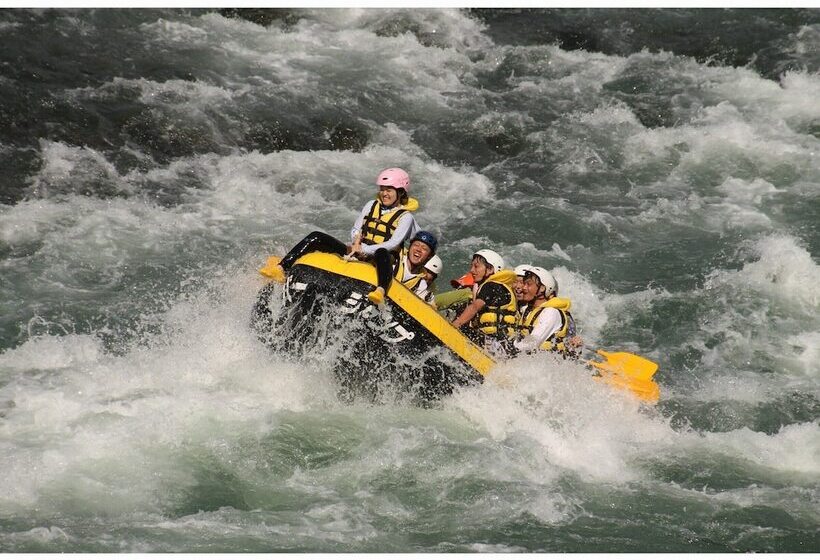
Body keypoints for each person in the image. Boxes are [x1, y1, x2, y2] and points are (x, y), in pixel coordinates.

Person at [263, 167, 419, 305]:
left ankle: (381, 290)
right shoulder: (371, 205)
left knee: (382, 252)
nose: (384, 193)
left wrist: (366, 249)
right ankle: (282, 267)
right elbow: (356, 228)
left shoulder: (406, 217)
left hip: (381, 258)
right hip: (356, 250)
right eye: (383, 189)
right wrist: (356, 240)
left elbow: (393, 243)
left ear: (400, 192)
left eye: (389, 190)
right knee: (317, 236)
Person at [450, 249, 517, 355]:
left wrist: (453, 327)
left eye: (476, 266)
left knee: (462, 328)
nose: (472, 270)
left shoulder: (491, 286)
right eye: (471, 266)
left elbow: (475, 307)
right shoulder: (500, 287)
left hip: (496, 345)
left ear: (490, 269)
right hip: (505, 347)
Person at [512, 266, 582, 358]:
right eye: (524, 284)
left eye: (528, 284)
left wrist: (509, 349)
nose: (523, 288)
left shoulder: (551, 312)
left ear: (542, 288)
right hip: (529, 360)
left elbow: (532, 343)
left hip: (549, 366)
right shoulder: (527, 310)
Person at [393, 230, 437, 294]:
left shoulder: (421, 284)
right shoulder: (394, 260)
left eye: (424, 248)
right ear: (409, 247)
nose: (418, 249)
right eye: (416, 245)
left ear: (429, 256)